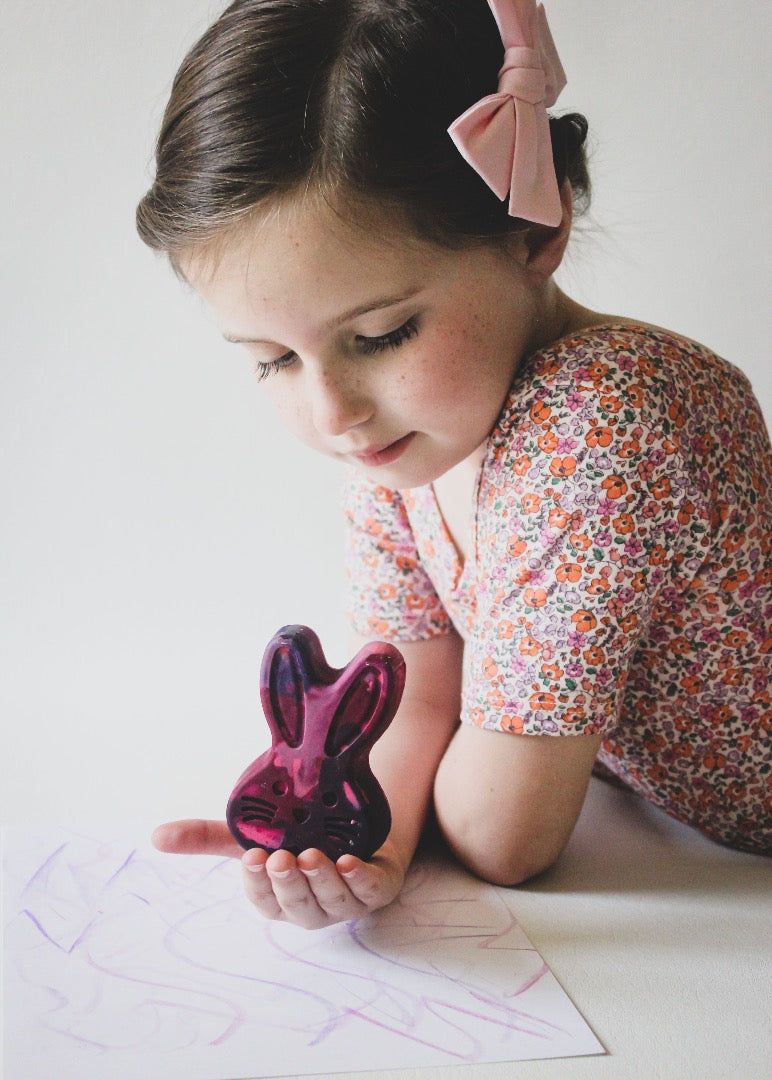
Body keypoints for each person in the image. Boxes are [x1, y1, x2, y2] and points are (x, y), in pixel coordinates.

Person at [137, 0, 771, 929]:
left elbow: (502, 835)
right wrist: (348, 841)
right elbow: (418, 700)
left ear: (535, 233)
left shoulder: (610, 425)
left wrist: (394, 808)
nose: (331, 410)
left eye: (383, 333)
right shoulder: (408, 437)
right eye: (272, 358)